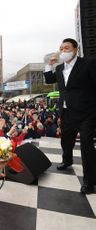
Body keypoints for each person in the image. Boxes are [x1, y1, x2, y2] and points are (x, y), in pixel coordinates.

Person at [44, 38, 96, 194]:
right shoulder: (60, 68)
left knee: (86, 146)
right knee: (66, 139)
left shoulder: (88, 64)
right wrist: (49, 65)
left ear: (75, 49)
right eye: (61, 48)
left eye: (66, 48)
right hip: (67, 112)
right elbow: (48, 79)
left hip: (87, 113)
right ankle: (67, 160)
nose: (63, 51)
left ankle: (89, 182)